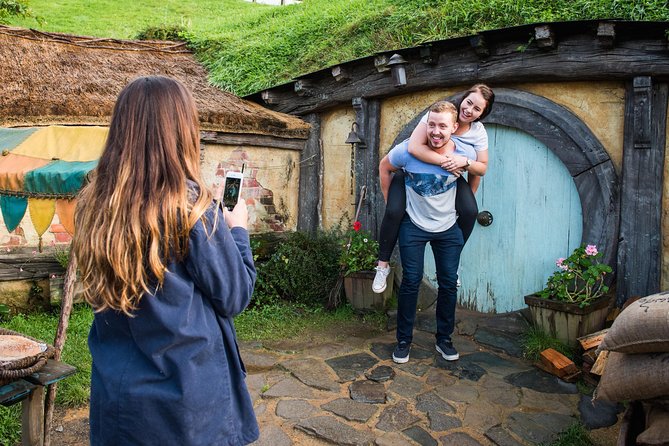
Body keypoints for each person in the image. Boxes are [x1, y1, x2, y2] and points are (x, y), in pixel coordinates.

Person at [72, 76, 259, 445]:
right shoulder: (191, 206)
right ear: (181, 131)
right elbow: (235, 293)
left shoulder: (95, 204)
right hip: (187, 404)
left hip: (119, 397)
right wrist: (237, 229)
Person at [372, 84, 495, 294]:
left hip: (451, 176)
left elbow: (479, 168)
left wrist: (464, 171)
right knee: (394, 212)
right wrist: (446, 162)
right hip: (414, 171)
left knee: (469, 211)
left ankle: (451, 264)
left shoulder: (478, 132)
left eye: (477, 109)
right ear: (462, 98)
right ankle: (382, 265)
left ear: (482, 114)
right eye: (469, 102)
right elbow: (413, 147)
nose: (469, 110)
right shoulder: (439, 115)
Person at [378, 101, 463, 364]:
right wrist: (390, 202)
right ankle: (403, 341)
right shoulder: (407, 152)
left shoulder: (462, 152)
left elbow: (477, 173)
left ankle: (444, 340)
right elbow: (384, 167)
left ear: (454, 127)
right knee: (411, 282)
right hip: (413, 225)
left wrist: (466, 204)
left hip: (448, 227)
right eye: (432, 125)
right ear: (426, 125)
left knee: (448, 283)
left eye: (443, 126)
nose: (436, 131)